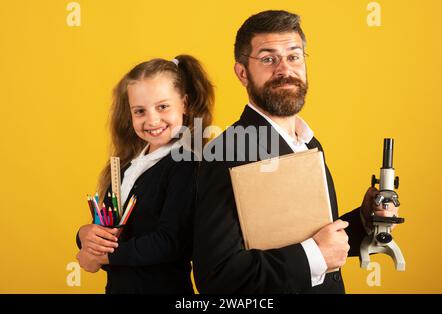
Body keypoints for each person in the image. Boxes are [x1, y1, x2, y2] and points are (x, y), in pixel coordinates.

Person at [192, 10, 399, 293]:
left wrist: (364, 219)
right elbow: (217, 277)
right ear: (242, 73)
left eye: (293, 56)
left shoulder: (308, 142)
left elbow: (310, 240)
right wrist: (314, 255)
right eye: (268, 59)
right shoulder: (228, 151)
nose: (284, 69)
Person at [75, 55, 214, 293]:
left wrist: (101, 257)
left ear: (185, 104)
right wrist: (84, 235)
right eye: (140, 111)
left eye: (162, 106)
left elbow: (170, 242)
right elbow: (109, 226)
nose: (152, 120)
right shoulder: (127, 166)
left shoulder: (186, 163)